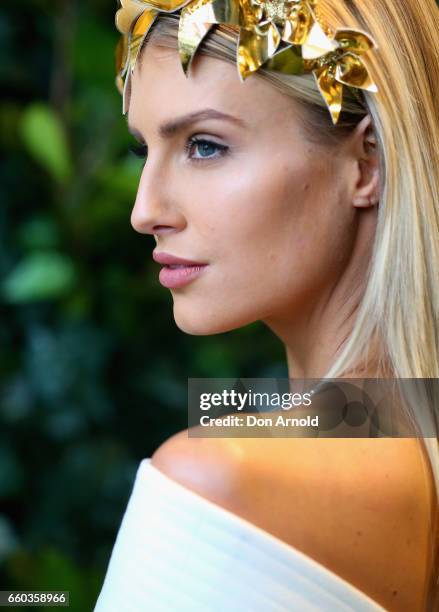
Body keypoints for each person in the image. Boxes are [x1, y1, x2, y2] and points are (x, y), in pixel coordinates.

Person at [95, 0, 439, 610]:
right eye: (141, 150)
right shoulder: (409, 438)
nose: (144, 210)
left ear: (368, 163)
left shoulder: (222, 477)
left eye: (203, 146)